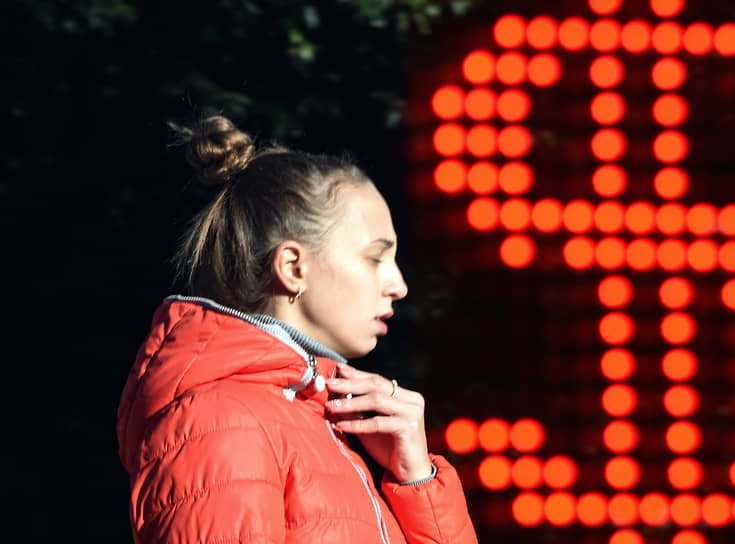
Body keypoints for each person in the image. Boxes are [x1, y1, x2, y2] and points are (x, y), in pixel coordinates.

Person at [117, 116, 477, 544]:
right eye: (375, 258)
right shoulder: (221, 423)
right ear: (293, 267)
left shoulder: (318, 425)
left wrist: (417, 479)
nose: (398, 286)